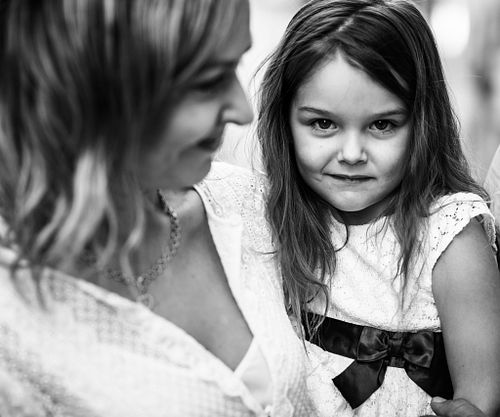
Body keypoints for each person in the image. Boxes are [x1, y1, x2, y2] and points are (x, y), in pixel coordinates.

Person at [0, 1, 319, 416]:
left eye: (235, 67)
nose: (244, 110)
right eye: (209, 81)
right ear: (95, 92)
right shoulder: (13, 319)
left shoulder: (243, 202)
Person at [255, 0, 500, 416]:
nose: (352, 154)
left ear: (423, 123)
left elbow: (480, 399)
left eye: (382, 124)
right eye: (323, 124)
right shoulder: (276, 216)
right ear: (285, 122)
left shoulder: (449, 236)